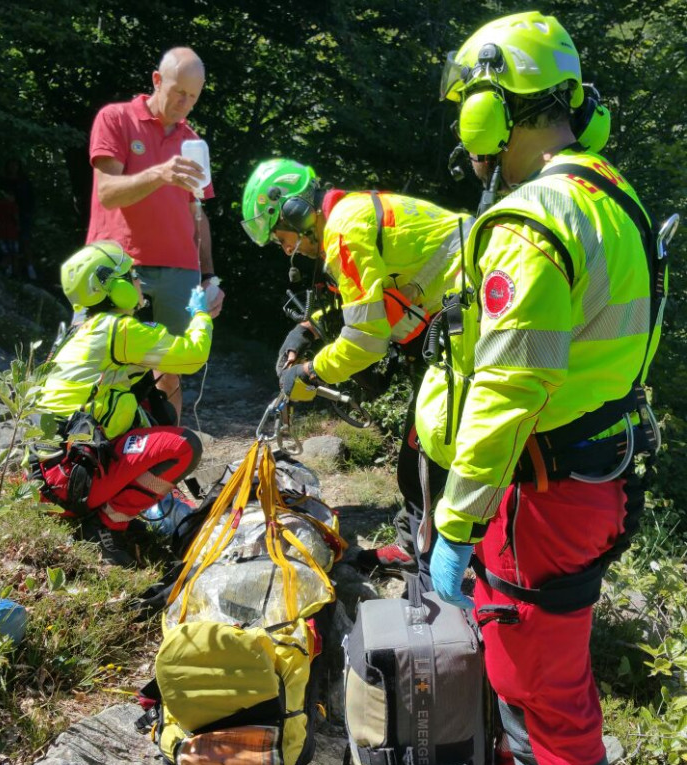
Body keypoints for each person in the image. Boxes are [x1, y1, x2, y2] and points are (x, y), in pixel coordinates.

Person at [415, 11, 668, 765]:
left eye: (468, 104)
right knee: (543, 686)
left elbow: (507, 392)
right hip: (593, 482)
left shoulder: (530, 222)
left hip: (540, 495)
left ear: (495, 105)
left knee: (549, 700)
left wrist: (455, 522)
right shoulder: (614, 201)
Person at [241, 159, 471, 565]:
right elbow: (361, 301)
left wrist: (311, 373)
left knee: (426, 442)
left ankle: (426, 552)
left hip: (467, 319)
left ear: (295, 212)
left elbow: (365, 340)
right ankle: (426, 541)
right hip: (454, 315)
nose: (287, 249)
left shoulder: (345, 231)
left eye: (282, 237)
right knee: (426, 441)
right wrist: (307, 331)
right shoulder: (347, 217)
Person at [34, 241, 220, 566]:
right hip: (71, 483)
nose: (139, 281)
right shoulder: (117, 329)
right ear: (116, 287)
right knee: (185, 446)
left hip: (49, 479)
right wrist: (201, 314)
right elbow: (192, 356)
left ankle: (109, 506)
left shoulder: (83, 331)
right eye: (132, 275)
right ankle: (108, 523)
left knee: (149, 402)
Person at [86, 47, 224, 419]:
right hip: (119, 268)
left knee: (171, 375)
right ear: (157, 80)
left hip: (180, 274)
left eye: (194, 96)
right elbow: (107, 192)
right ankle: (98, 465)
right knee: (104, 369)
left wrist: (210, 277)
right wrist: (160, 174)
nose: (185, 103)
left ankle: (163, 469)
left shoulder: (193, 142)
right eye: (180, 91)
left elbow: (199, 213)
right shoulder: (115, 118)